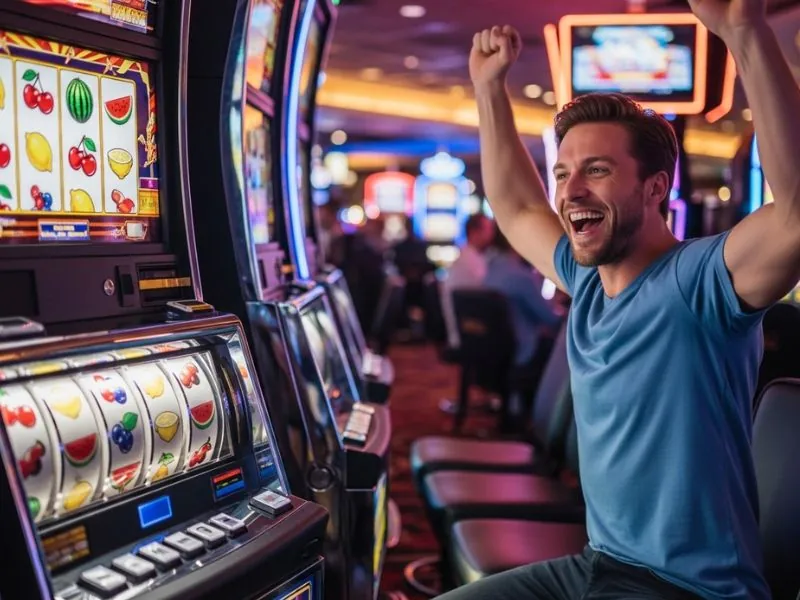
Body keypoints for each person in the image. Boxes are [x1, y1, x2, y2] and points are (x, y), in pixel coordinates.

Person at [439, 0, 800, 598]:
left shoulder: (700, 281)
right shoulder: (585, 280)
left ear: (656, 187)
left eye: (597, 170)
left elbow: (793, 217)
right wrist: (487, 87)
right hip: (597, 565)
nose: (570, 189)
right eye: (562, 173)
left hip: (690, 589)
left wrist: (744, 30)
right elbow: (516, 207)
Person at [441, 213, 496, 348]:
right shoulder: (472, 261)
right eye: (488, 229)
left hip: (464, 329)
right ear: (474, 232)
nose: (493, 234)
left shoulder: (468, 256)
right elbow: (492, 291)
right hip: (467, 332)